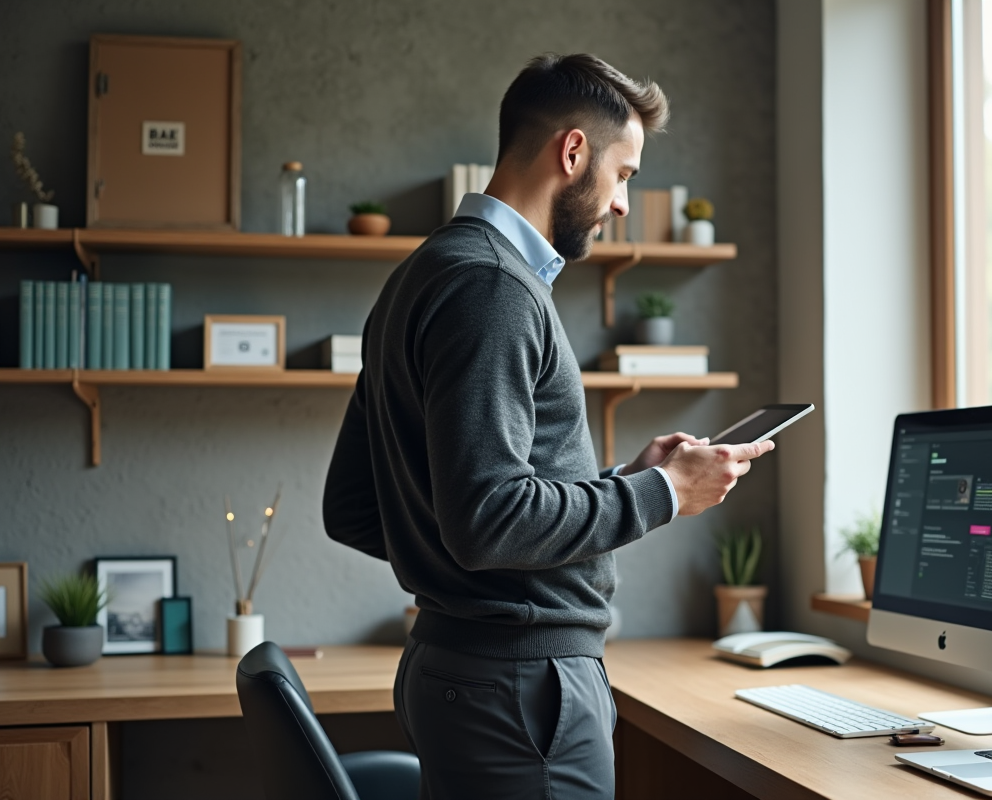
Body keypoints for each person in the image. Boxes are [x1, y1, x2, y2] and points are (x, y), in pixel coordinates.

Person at [323, 52, 772, 800]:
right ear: (573, 152)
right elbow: (489, 518)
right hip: (520, 688)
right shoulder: (494, 288)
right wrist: (660, 492)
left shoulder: (421, 276)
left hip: (472, 674)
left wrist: (620, 483)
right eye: (623, 174)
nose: (624, 202)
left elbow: (360, 508)